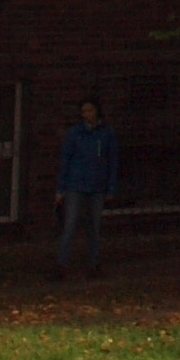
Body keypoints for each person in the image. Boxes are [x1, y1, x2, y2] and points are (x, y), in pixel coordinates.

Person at [54, 96, 118, 276]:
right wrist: (61, 188)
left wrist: (110, 187)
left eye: (89, 111)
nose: (86, 115)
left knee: (94, 227)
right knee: (70, 224)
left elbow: (112, 160)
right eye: (83, 112)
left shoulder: (106, 133)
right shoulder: (75, 133)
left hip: (97, 185)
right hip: (76, 184)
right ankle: (62, 263)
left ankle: (93, 263)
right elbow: (65, 161)